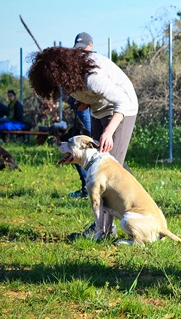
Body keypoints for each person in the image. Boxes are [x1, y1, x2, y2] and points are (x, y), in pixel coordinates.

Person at [28, 43, 139, 238]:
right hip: (99, 110)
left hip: (122, 109)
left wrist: (108, 132)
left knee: (108, 173)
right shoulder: (68, 80)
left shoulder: (91, 77)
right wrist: (84, 102)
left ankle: (105, 230)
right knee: (100, 165)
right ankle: (125, 216)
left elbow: (123, 101)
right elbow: (87, 96)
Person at [68, 33, 95, 199]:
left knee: (87, 145)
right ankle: (86, 187)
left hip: (91, 110)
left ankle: (90, 188)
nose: (81, 52)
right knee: (76, 147)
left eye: (84, 48)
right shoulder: (74, 63)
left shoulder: (95, 62)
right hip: (79, 107)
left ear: (91, 46)